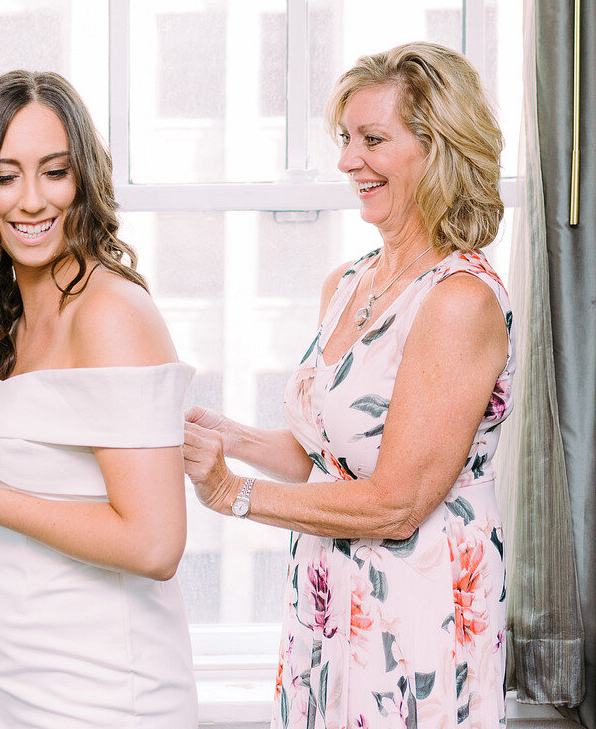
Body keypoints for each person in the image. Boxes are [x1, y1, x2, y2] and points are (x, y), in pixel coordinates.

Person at [183, 41, 513, 728]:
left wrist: (232, 495)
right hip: (327, 601)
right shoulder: (348, 282)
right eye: (344, 138)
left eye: (372, 139)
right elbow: (322, 455)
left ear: (438, 148)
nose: (346, 161)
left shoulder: (459, 301)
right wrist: (223, 434)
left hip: (417, 619)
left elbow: (395, 503)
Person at [0, 70, 197, 728]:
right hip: (16, 692)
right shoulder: (18, 317)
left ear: (84, 182)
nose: (31, 200)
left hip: (105, 702)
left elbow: (155, 544)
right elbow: (61, 488)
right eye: (5, 176)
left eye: (54, 172)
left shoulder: (109, 314)